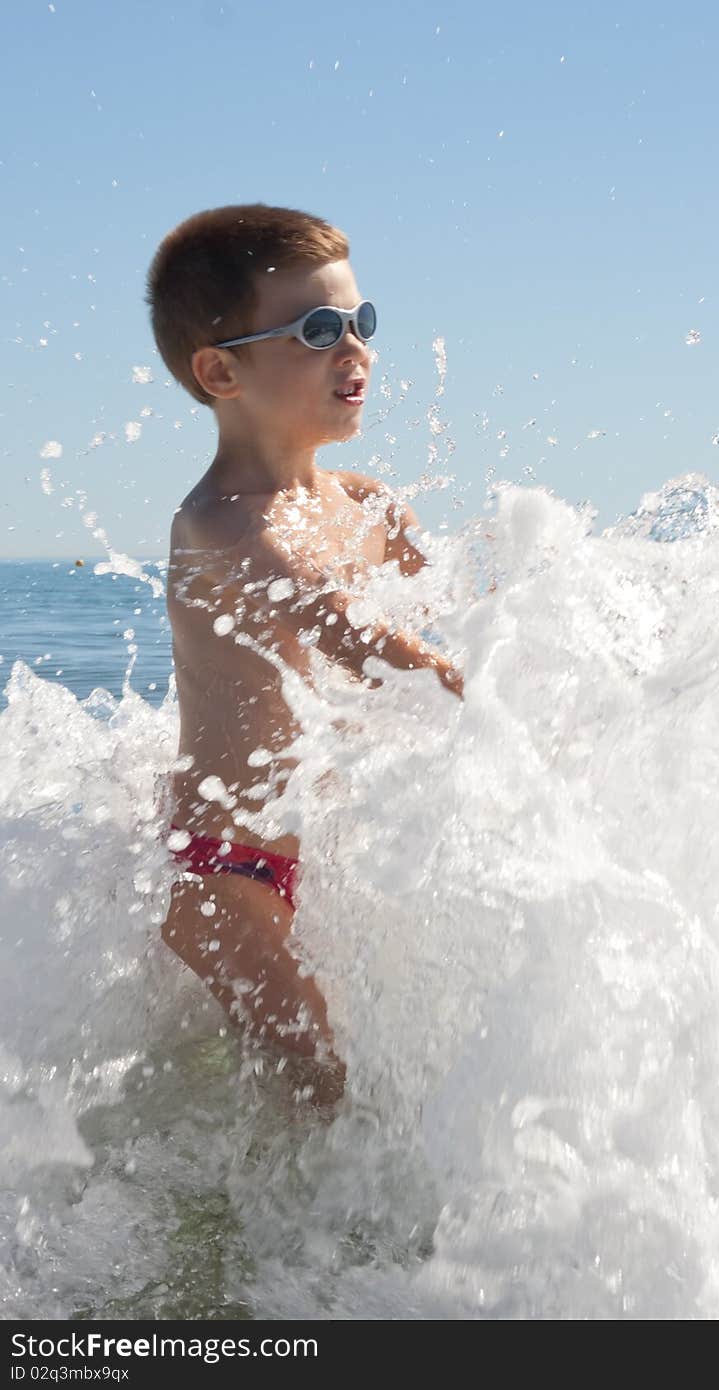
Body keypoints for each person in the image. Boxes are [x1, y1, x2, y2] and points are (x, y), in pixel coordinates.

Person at [146, 204, 463, 1085]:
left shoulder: (369, 505)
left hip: (315, 856)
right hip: (223, 874)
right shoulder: (221, 527)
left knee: (348, 1083)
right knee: (324, 1087)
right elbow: (370, 647)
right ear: (220, 371)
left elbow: (475, 620)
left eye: (362, 323)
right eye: (318, 329)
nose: (353, 349)